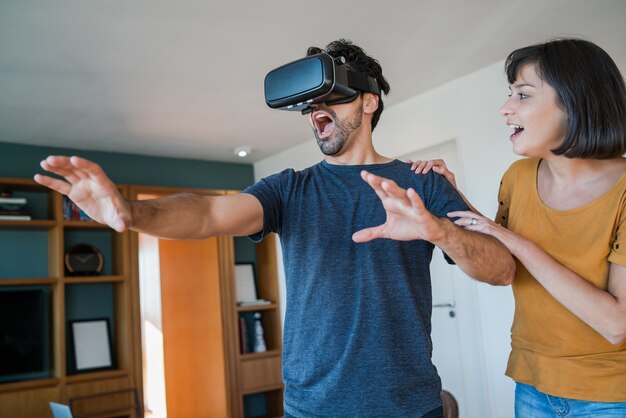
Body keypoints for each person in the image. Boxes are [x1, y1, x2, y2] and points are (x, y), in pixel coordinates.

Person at [35, 39, 515, 418]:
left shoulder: (422, 183)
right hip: (311, 408)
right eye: (310, 105)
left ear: (369, 103)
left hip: (407, 405)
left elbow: (501, 269)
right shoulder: (289, 190)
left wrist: (437, 231)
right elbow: (207, 214)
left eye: (330, 98)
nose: (316, 112)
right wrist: (134, 213)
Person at [411, 38, 626, 417]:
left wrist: (515, 241)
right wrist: (454, 200)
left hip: (609, 394)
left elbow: (616, 324)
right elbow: (502, 263)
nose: (505, 108)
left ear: (576, 100)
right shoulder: (518, 177)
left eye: (523, 95)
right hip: (531, 383)